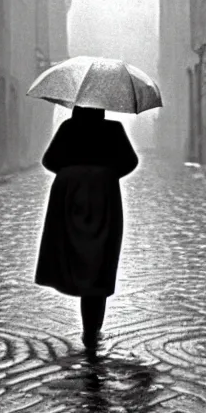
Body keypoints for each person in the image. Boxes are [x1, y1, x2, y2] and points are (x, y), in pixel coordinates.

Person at [35, 105, 139, 354]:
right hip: (104, 195)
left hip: (69, 194)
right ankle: (92, 328)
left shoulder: (68, 127)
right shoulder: (113, 129)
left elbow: (48, 160)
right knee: (101, 257)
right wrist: (106, 174)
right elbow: (130, 161)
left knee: (72, 250)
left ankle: (87, 320)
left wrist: (72, 174)